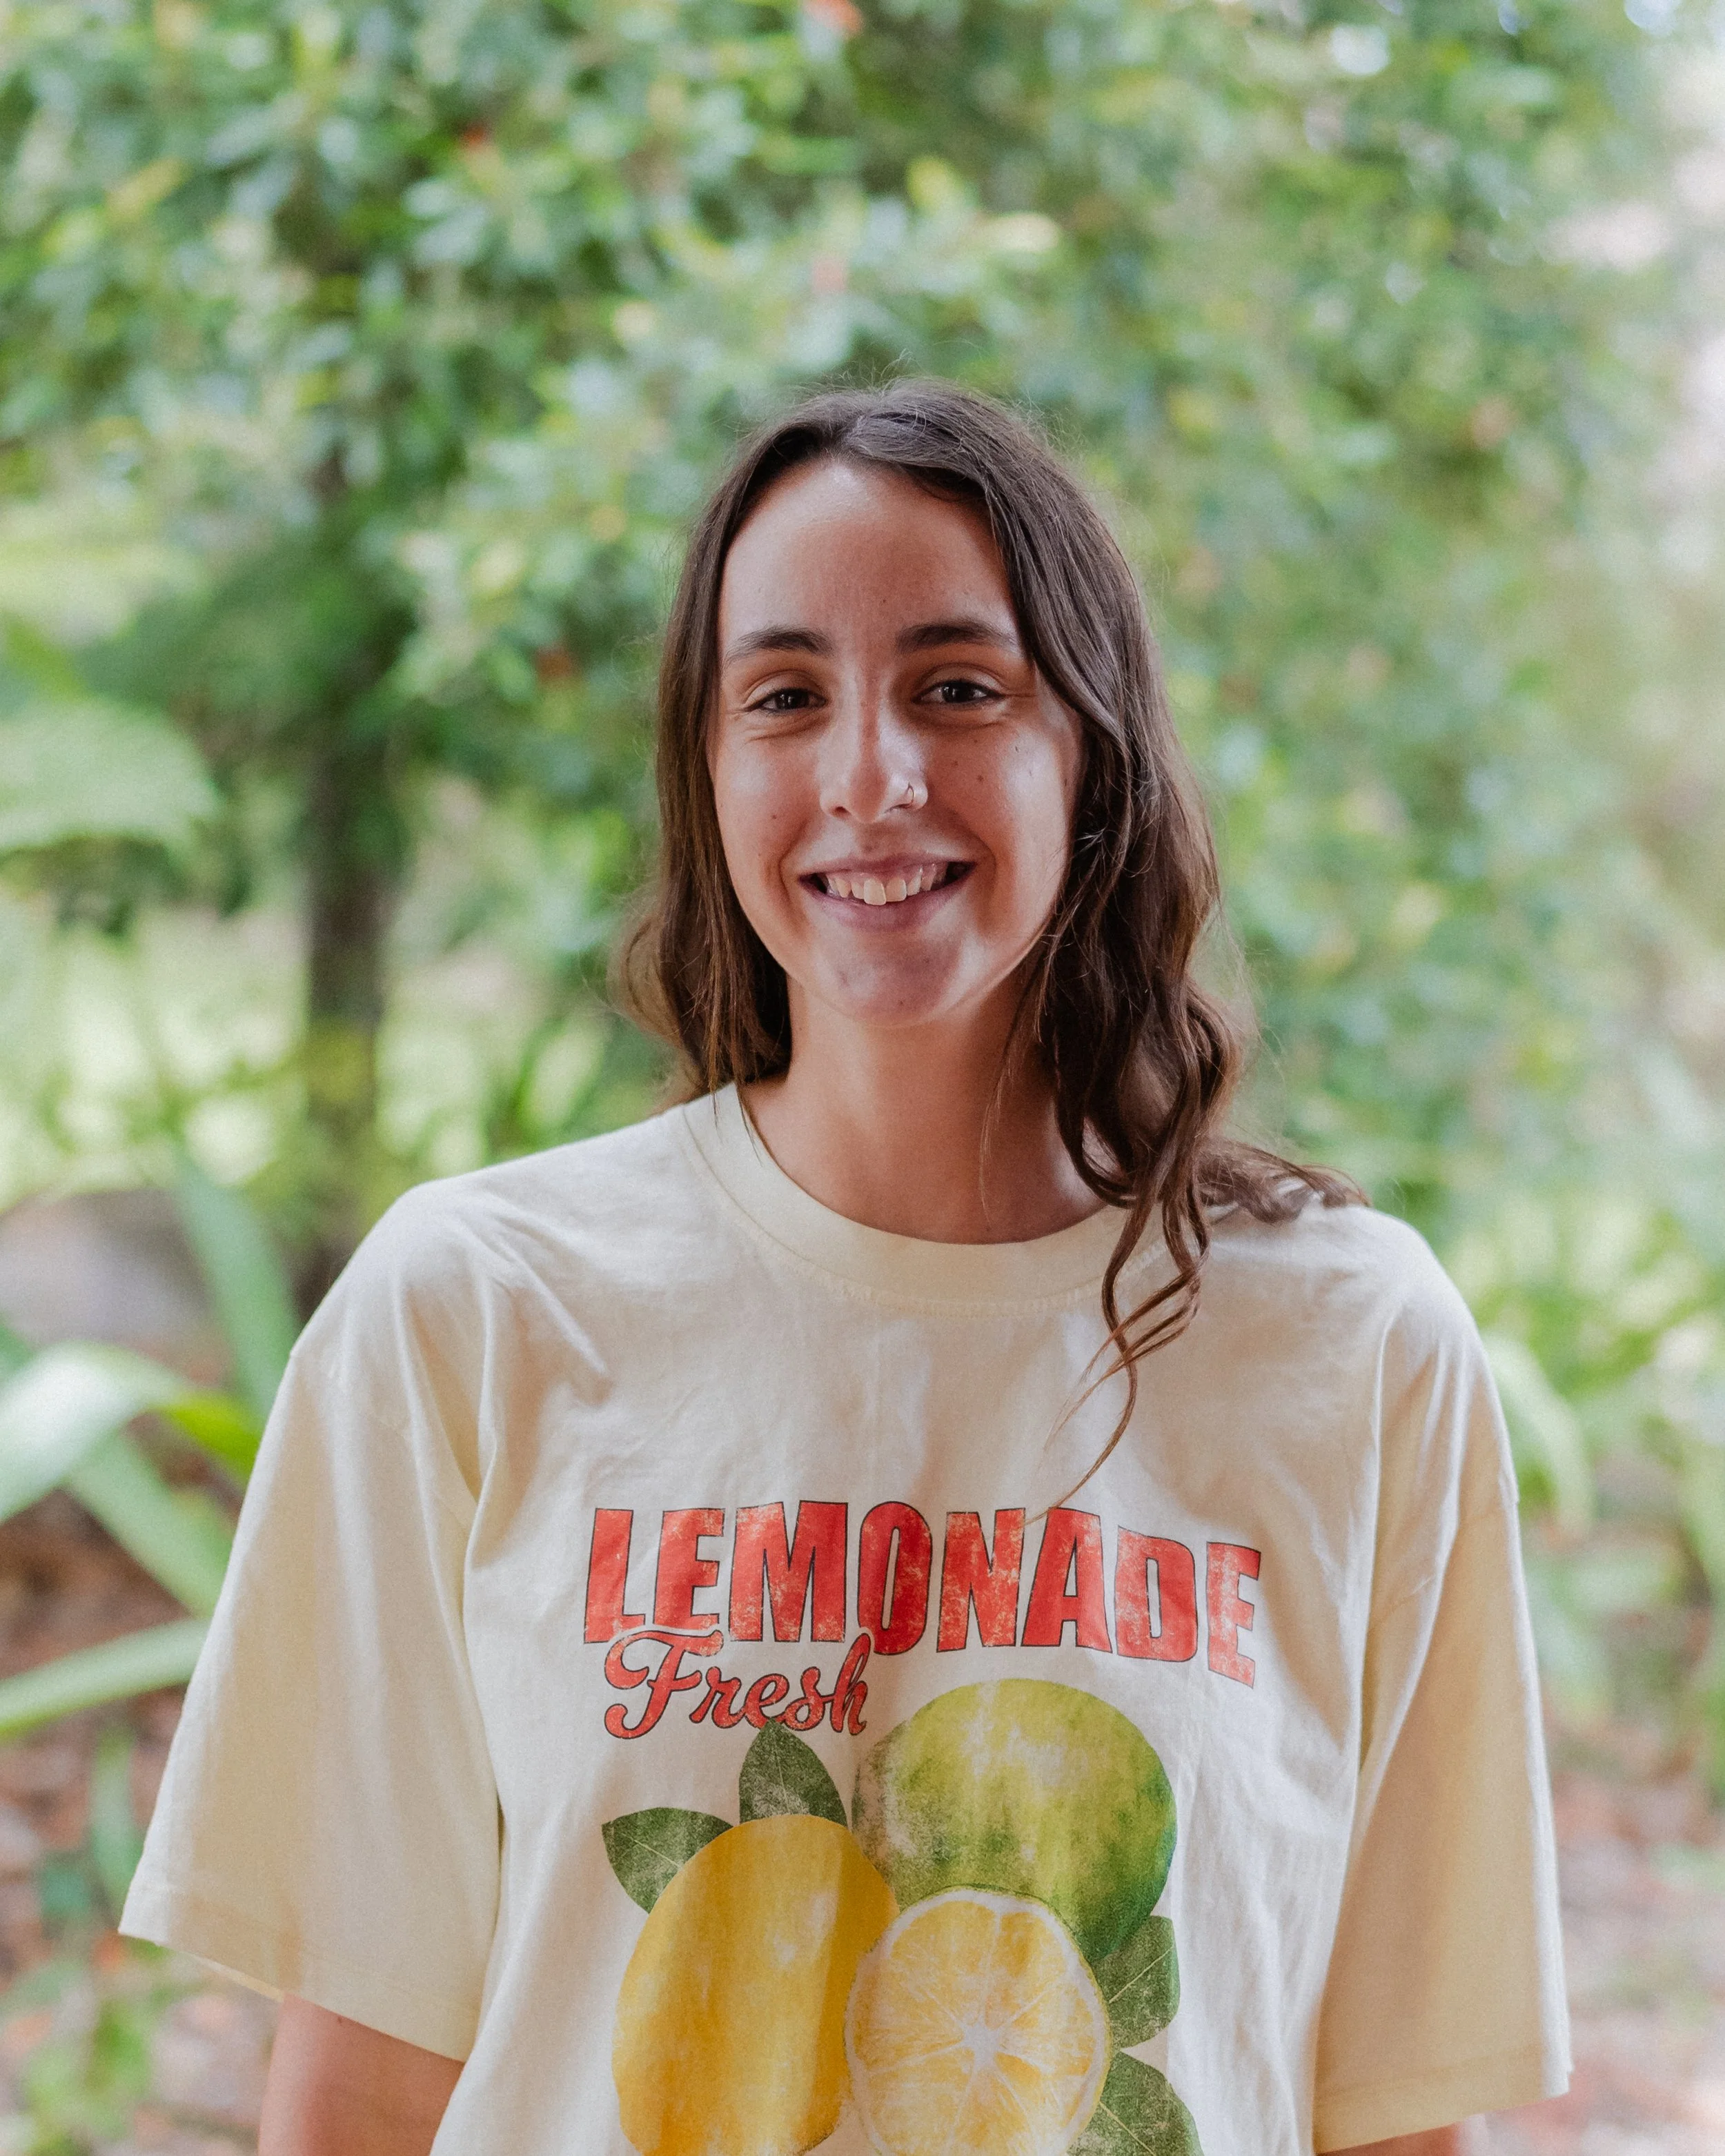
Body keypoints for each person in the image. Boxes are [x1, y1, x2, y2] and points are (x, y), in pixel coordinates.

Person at [123, 382, 1570, 2156]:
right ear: (709, 769)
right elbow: (357, 2092)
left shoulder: (1348, 1343)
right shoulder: (477, 1308)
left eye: (958, 686)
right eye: (785, 696)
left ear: (1090, 755)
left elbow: (1393, 2111)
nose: (870, 775)